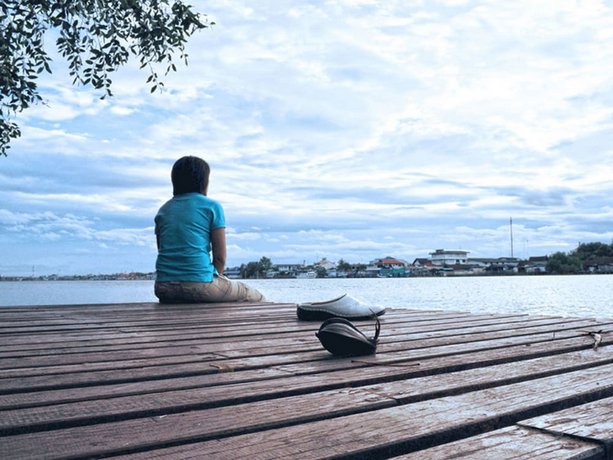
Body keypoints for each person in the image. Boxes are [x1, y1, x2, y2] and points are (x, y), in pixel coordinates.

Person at [154, 156, 266, 303]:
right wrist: (213, 278)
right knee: (251, 294)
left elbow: (162, 249)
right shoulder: (211, 207)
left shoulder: (163, 210)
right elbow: (220, 258)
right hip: (199, 285)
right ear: (204, 182)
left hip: (163, 288)